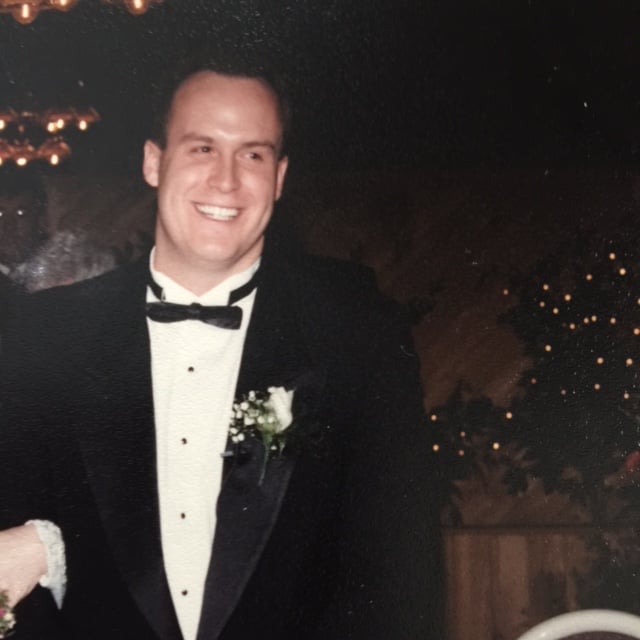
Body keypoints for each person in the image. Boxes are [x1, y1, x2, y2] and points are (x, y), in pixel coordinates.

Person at [0, 53, 443, 640]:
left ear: (279, 177)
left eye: (253, 154)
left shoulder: (357, 335)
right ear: (154, 162)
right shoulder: (46, 336)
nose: (227, 180)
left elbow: (399, 583)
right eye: (202, 148)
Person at [0, 167, 47, 334]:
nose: (8, 227)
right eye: (0, 214)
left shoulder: (58, 269)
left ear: (39, 220)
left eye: (20, 213)